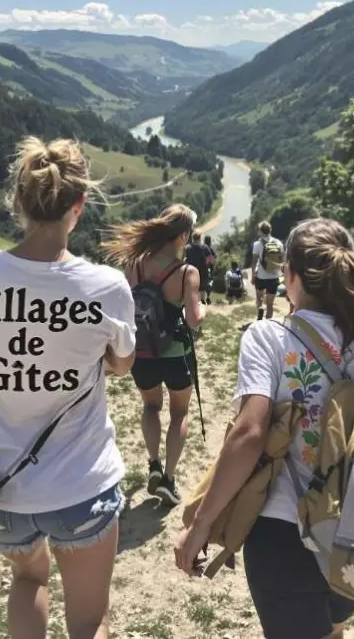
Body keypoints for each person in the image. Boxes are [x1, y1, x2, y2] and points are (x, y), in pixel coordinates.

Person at [0, 137, 136, 639]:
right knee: (88, 620)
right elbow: (122, 366)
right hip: (83, 486)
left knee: (27, 579)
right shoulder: (105, 286)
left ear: (17, 201)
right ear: (77, 208)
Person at [175, 218, 354, 639]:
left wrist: (199, 528)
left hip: (285, 535)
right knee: (333, 627)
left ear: (290, 275)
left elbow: (250, 435)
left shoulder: (269, 336)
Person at [103, 204, 205, 507]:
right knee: (179, 414)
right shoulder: (186, 272)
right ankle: (169, 479)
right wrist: (204, 309)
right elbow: (194, 319)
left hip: (143, 350)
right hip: (175, 353)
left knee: (150, 407)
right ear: (184, 235)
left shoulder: (134, 265)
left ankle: (153, 464)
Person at [251, 221, 284, 321]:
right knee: (270, 304)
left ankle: (260, 309)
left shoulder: (257, 244)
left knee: (259, 298)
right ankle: (268, 321)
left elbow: (254, 262)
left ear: (261, 231)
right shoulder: (278, 243)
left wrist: (253, 276)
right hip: (274, 277)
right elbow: (282, 260)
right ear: (270, 230)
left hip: (261, 277)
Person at [185, 231, 211, 305]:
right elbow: (210, 258)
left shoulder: (187, 248)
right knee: (202, 286)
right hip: (203, 269)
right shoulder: (205, 247)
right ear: (200, 238)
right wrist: (208, 266)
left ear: (193, 238)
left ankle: (192, 301)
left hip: (191, 269)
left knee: (192, 285)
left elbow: (184, 259)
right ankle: (202, 300)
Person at [203, 235, 216, 305]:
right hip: (209, 269)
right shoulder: (210, 249)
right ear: (210, 241)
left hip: (201, 268)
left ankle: (203, 298)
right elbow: (214, 259)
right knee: (209, 284)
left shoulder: (201, 248)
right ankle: (207, 297)